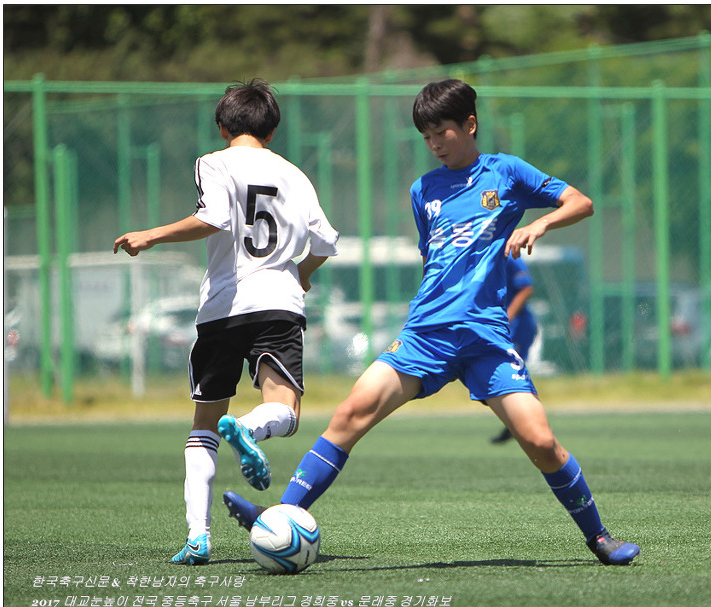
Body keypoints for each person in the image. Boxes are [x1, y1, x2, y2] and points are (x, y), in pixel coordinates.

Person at [224, 78, 639, 565]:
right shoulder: (424, 190)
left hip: (485, 337)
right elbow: (432, 260)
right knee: (349, 415)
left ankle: (599, 538)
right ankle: (278, 515)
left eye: (443, 132)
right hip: (426, 334)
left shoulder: (506, 172)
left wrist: (539, 223)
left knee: (540, 442)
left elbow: (581, 202)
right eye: (426, 136)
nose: (435, 143)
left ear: (470, 124)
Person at [113, 78, 339, 564]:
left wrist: (151, 235)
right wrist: (300, 274)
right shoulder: (295, 175)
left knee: (203, 426)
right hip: (277, 302)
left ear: (222, 127)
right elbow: (325, 242)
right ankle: (251, 429)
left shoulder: (213, 162)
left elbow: (214, 217)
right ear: (272, 131)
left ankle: (198, 536)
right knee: (286, 411)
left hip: (220, 308)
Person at [490, 254, 537, 444]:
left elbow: (526, 288)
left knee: (515, 374)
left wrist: (507, 317)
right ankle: (515, 422)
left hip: (518, 327)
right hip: (502, 327)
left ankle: (528, 423)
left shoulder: (509, 255)